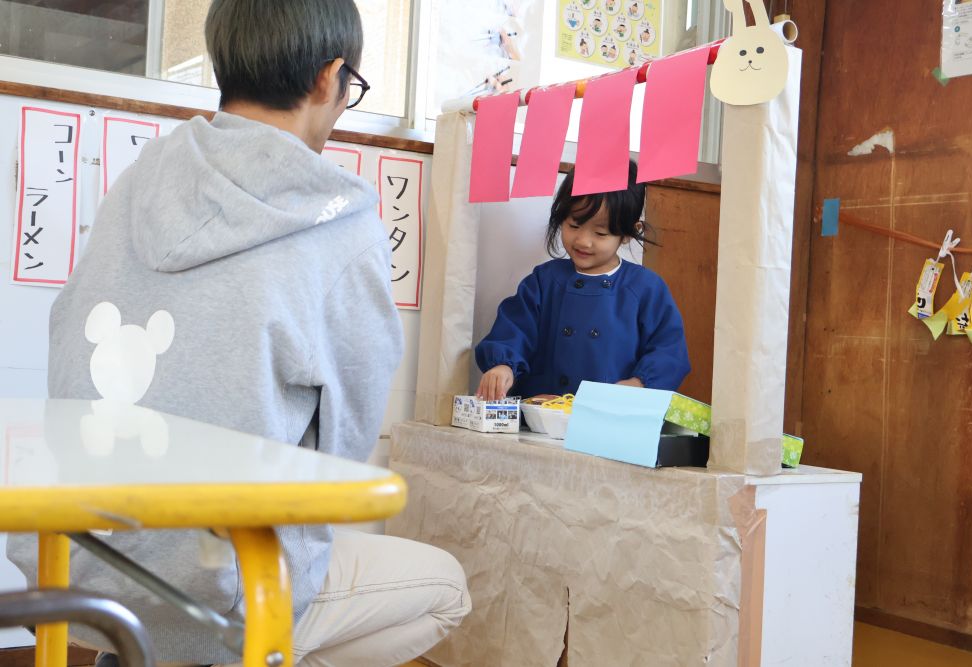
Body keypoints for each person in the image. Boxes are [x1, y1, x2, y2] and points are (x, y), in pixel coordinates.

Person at [7, 1, 470, 666]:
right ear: (328, 78)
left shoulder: (140, 177)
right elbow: (341, 458)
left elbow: (65, 344)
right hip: (219, 588)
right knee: (444, 588)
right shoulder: (341, 223)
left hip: (75, 563)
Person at [475, 161, 690, 401]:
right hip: (541, 416)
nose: (583, 241)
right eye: (574, 225)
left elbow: (669, 350)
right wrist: (503, 366)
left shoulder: (646, 288)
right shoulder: (544, 281)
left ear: (629, 232)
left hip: (610, 418)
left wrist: (639, 383)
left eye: (600, 233)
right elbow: (515, 330)